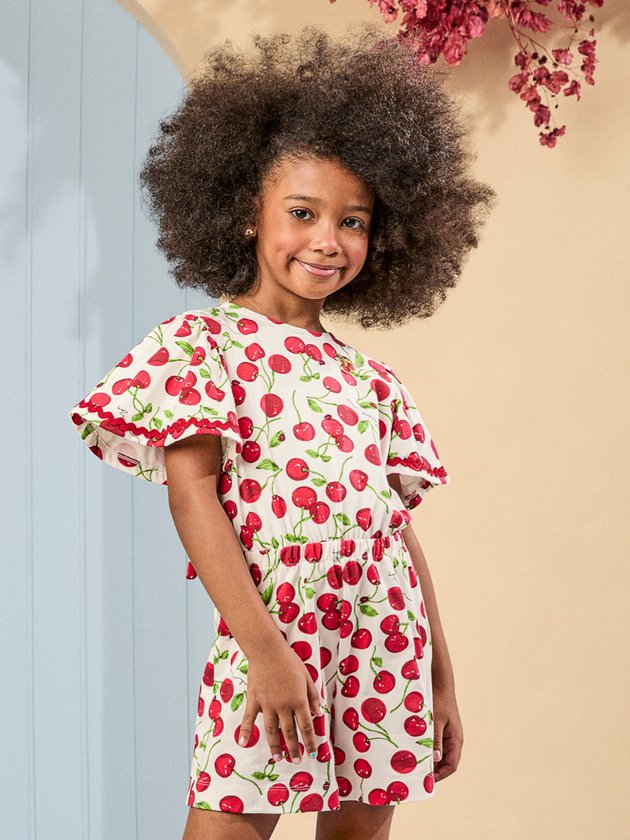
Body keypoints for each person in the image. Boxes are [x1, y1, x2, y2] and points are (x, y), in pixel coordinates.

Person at [67, 22, 496, 840]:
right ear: (245, 214)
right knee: (230, 822)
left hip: (384, 640)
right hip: (273, 633)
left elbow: (394, 532)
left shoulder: (371, 382)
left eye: (354, 222)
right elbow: (193, 497)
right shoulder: (203, 347)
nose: (328, 242)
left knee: (360, 829)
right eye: (302, 213)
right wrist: (264, 652)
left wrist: (441, 677)